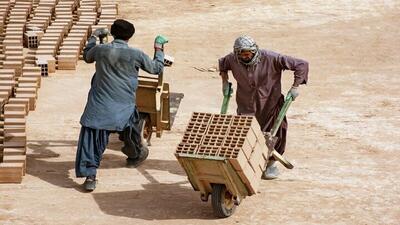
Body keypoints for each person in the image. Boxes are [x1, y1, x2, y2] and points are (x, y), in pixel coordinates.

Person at [75, 19, 168, 191]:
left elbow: (87, 56)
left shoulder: (101, 50)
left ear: (112, 32)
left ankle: (90, 176)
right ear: (130, 36)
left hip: (99, 107)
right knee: (131, 130)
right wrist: (158, 48)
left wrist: (94, 37)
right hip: (124, 107)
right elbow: (156, 69)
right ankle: (134, 154)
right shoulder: (136, 54)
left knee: (91, 138)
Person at [218, 35, 309, 179]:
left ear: (254, 51)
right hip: (246, 104)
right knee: (245, 134)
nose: (246, 57)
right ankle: (246, 164)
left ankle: (271, 164)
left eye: (248, 53)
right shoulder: (232, 59)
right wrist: (225, 81)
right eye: (242, 54)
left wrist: (295, 86)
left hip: (270, 104)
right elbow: (222, 64)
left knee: (276, 132)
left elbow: (301, 64)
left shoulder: (271, 58)